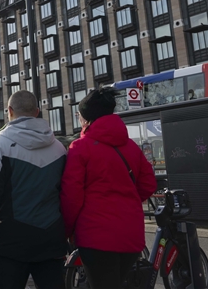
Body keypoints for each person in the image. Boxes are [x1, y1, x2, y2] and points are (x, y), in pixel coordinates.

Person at [60, 87, 157, 289]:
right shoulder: (131, 146)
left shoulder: (80, 148)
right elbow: (148, 184)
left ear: (86, 119)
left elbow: (72, 196)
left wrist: (66, 231)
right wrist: (127, 200)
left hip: (95, 236)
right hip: (131, 234)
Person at [0, 90, 68, 289]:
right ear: (37, 112)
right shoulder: (59, 148)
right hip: (51, 237)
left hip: (12, 240)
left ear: (9, 111)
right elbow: (65, 193)